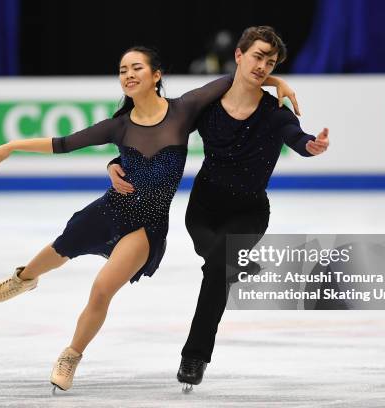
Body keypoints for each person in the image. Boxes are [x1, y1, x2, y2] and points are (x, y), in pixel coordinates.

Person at [0, 45, 297, 392]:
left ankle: (71, 355)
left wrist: (277, 82)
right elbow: (63, 143)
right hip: (108, 210)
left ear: (156, 76)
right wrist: (12, 146)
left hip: (146, 225)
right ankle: (24, 278)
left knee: (101, 289)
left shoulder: (184, 110)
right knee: (55, 252)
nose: (128, 75)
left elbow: (237, 78)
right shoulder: (118, 126)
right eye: (122, 70)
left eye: (136, 68)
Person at [107, 27, 329, 392]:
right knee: (220, 262)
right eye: (258, 57)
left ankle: (194, 357)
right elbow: (162, 132)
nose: (263, 66)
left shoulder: (275, 112)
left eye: (270, 62)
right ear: (239, 56)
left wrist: (311, 145)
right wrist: (117, 160)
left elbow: (296, 137)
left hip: (249, 213)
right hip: (203, 210)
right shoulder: (207, 107)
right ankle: (237, 263)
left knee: (217, 271)